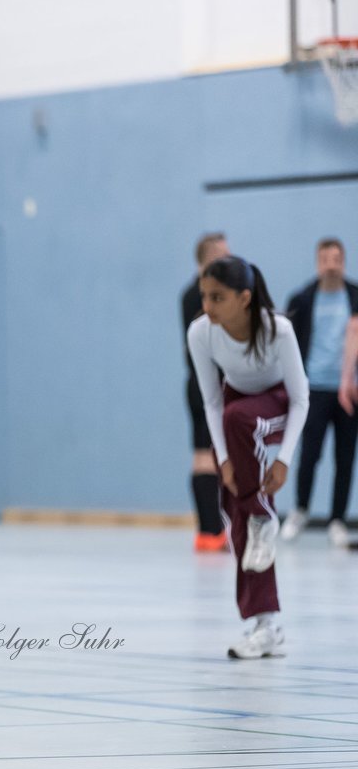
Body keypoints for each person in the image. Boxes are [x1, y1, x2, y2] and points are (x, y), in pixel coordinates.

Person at [187, 256, 308, 659]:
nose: (207, 306)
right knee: (235, 509)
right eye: (204, 296)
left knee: (240, 420)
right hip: (236, 414)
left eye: (217, 297)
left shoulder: (279, 330)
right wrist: (223, 461)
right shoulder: (201, 333)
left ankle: (262, 514)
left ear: (244, 298)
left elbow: (300, 399)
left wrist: (283, 460)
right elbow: (210, 401)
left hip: (277, 407)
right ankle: (264, 624)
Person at [280, 238, 358, 546]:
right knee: (309, 454)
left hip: (348, 390)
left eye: (336, 258)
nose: (331, 264)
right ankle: (300, 510)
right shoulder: (302, 298)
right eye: (325, 258)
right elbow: (287, 345)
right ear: (317, 262)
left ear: (343, 261)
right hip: (313, 389)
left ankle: (337, 519)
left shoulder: (354, 297)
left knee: (345, 456)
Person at [182, 233, 232, 552]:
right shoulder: (200, 295)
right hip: (206, 384)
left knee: (208, 455)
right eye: (224, 255)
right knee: (206, 457)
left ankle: (210, 529)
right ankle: (210, 530)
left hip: (208, 383)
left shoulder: (196, 292)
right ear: (209, 257)